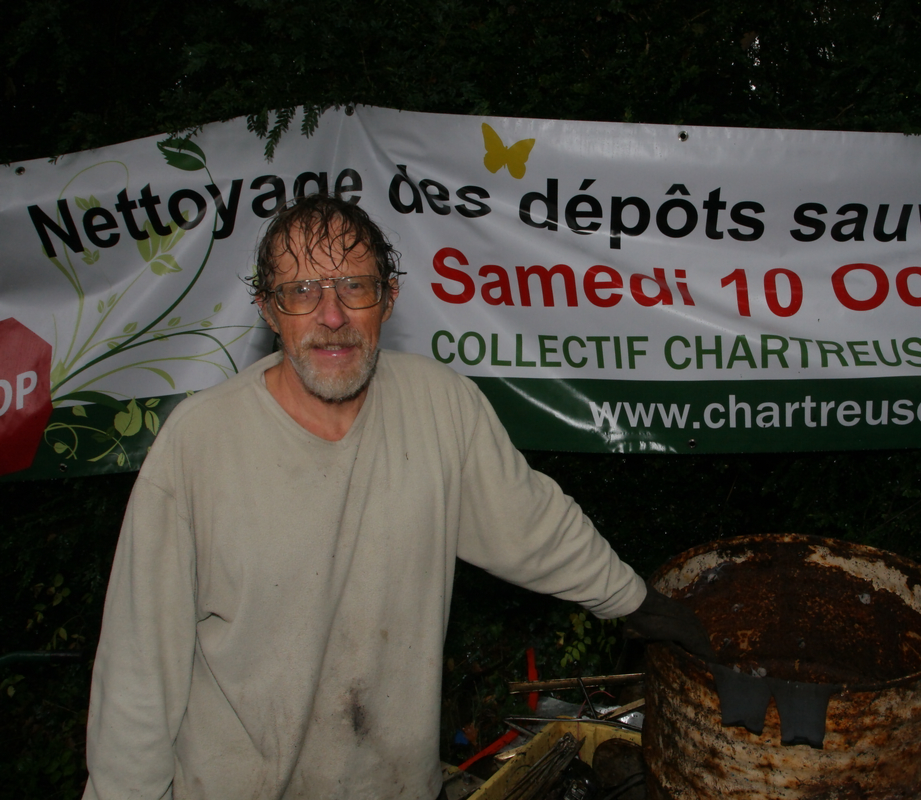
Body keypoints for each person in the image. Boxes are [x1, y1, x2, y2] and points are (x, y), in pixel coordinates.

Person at [82, 193, 712, 800]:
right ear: (269, 312)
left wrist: (645, 606)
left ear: (388, 300)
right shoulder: (198, 444)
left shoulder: (440, 405)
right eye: (302, 292)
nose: (332, 316)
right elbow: (139, 671)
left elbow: (537, 528)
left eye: (354, 287)